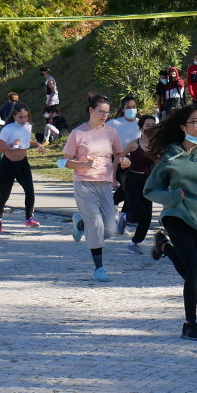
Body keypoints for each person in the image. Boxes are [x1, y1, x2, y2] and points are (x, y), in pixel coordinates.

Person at [144, 105, 197, 341]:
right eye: (195, 122)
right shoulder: (171, 155)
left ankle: (163, 247)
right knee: (193, 269)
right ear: (183, 127)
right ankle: (190, 324)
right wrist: (172, 197)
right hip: (176, 215)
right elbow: (151, 189)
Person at [59, 95, 127, 281]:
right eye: (101, 111)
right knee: (96, 225)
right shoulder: (78, 133)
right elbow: (62, 162)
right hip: (84, 183)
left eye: (107, 112)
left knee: (110, 230)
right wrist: (82, 166)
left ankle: (81, 223)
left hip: (104, 184)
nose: (104, 115)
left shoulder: (111, 132)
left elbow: (118, 154)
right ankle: (99, 268)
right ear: (91, 110)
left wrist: (124, 160)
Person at [0, 105, 48, 234]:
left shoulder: (28, 126)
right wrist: (11, 144)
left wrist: (37, 144)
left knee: (30, 190)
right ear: (14, 116)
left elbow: (26, 140)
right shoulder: (8, 129)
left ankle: (29, 218)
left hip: (23, 164)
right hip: (8, 165)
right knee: (4, 196)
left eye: (26, 116)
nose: (24, 119)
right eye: (20, 117)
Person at [121, 115, 158, 254]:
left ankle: (134, 243)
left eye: (153, 125)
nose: (151, 128)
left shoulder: (156, 145)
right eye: (148, 125)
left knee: (147, 217)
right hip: (133, 180)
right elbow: (120, 156)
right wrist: (124, 160)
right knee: (139, 214)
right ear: (141, 127)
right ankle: (125, 217)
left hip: (148, 182)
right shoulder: (134, 144)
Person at [108, 95, 143, 211]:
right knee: (126, 186)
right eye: (128, 107)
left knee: (135, 190)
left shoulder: (141, 124)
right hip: (120, 160)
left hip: (138, 160)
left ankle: (124, 216)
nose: (131, 110)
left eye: (134, 107)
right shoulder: (114, 124)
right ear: (123, 109)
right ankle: (112, 205)